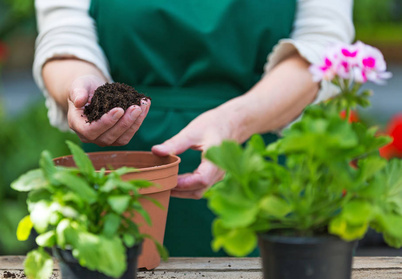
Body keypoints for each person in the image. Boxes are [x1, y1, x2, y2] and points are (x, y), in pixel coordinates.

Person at [33, 0, 354, 256]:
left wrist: (235, 120)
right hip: (120, 160)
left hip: (260, 152)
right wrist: (83, 92)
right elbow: (65, 36)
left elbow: (323, 46)